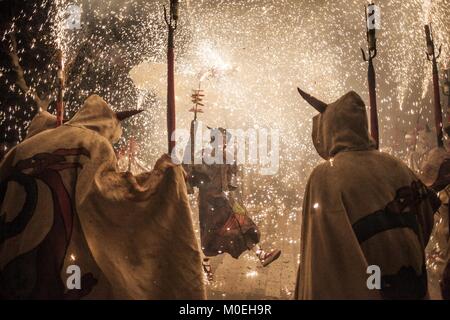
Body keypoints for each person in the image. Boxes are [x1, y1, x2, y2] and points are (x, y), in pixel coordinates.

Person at [0, 95, 205, 299]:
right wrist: (162, 181)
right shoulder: (94, 143)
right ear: (107, 126)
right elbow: (108, 197)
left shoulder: (22, 148)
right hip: (62, 258)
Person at [295, 88, 440, 299]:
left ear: (332, 129)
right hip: (410, 283)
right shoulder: (397, 166)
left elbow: (322, 252)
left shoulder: (325, 175)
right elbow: (425, 217)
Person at [184, 126, 281, 280]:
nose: (224, 142)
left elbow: (231, 181)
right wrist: (192, 158)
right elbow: (196, 175)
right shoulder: (204, 154)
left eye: (226, 139)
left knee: (244, 224)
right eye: (222, 139)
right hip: (210, 202)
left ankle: (260, 254)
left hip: (226, 199)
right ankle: (205, 263)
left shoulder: (227, 156)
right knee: (213, 235)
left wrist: (236, 191)